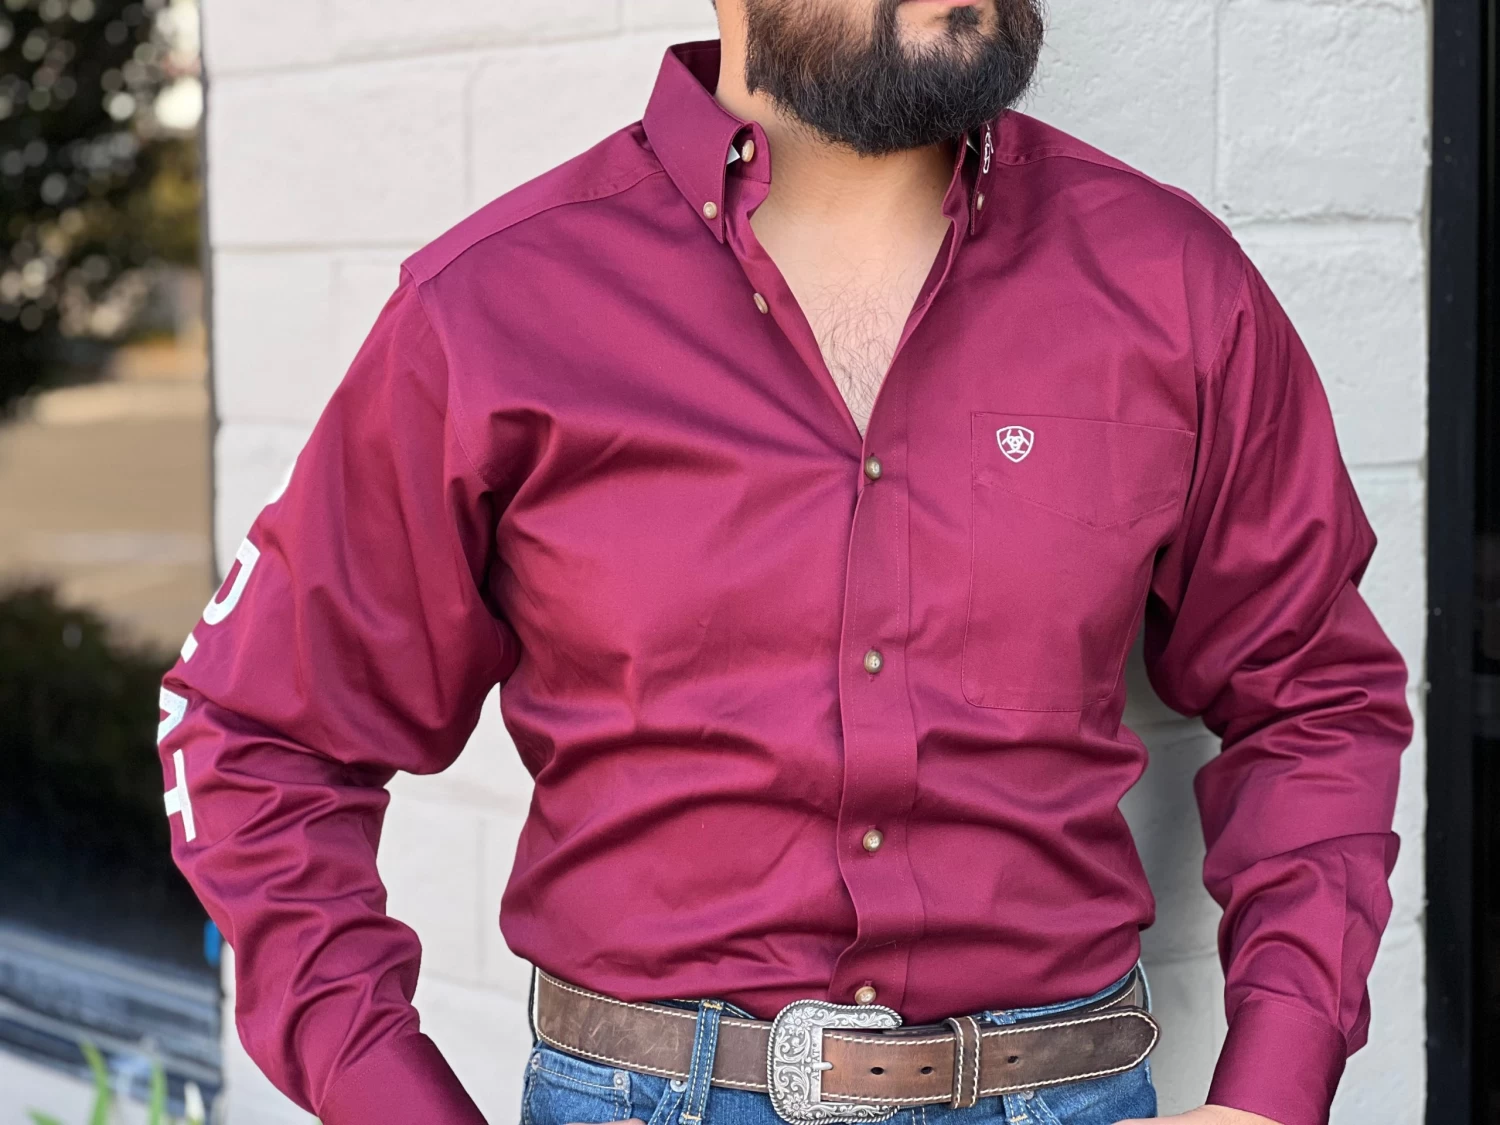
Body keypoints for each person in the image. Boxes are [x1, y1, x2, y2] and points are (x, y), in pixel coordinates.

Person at [155, 1, 1414, 1124]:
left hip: (1060, 1093)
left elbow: (1314, 692)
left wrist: (1271, 1090)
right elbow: (254, 738)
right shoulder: (493, 309)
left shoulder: (1166, 281)